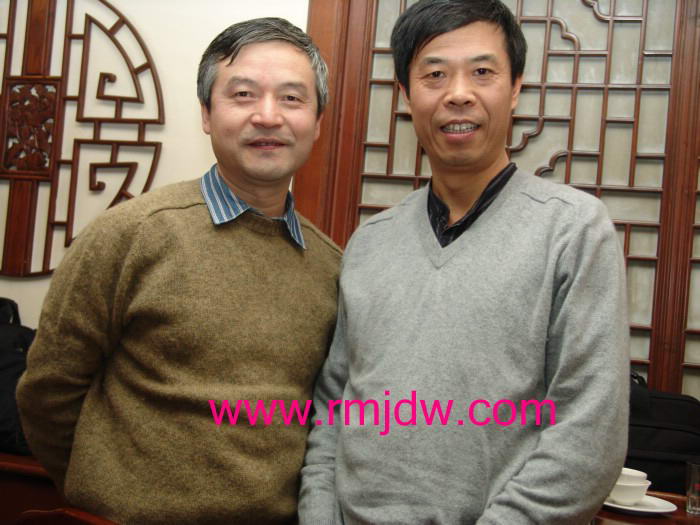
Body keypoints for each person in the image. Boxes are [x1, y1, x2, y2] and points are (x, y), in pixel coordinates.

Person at [299, 1, 629, 523]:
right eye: (434, 74)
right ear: (406, 95)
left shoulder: (573, 229)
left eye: (482, 72)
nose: (458, 93)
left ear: (515, 87)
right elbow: (332, 406)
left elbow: (589, 435)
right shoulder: (370, 242)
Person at [17, 17, 341, 524]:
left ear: (318, 122)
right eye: (243, 94)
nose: (268, 115)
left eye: (292, 98)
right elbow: (48, 393)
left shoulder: (331, 266)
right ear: (207, 114)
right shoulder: (132, 234)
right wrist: (102, 495)